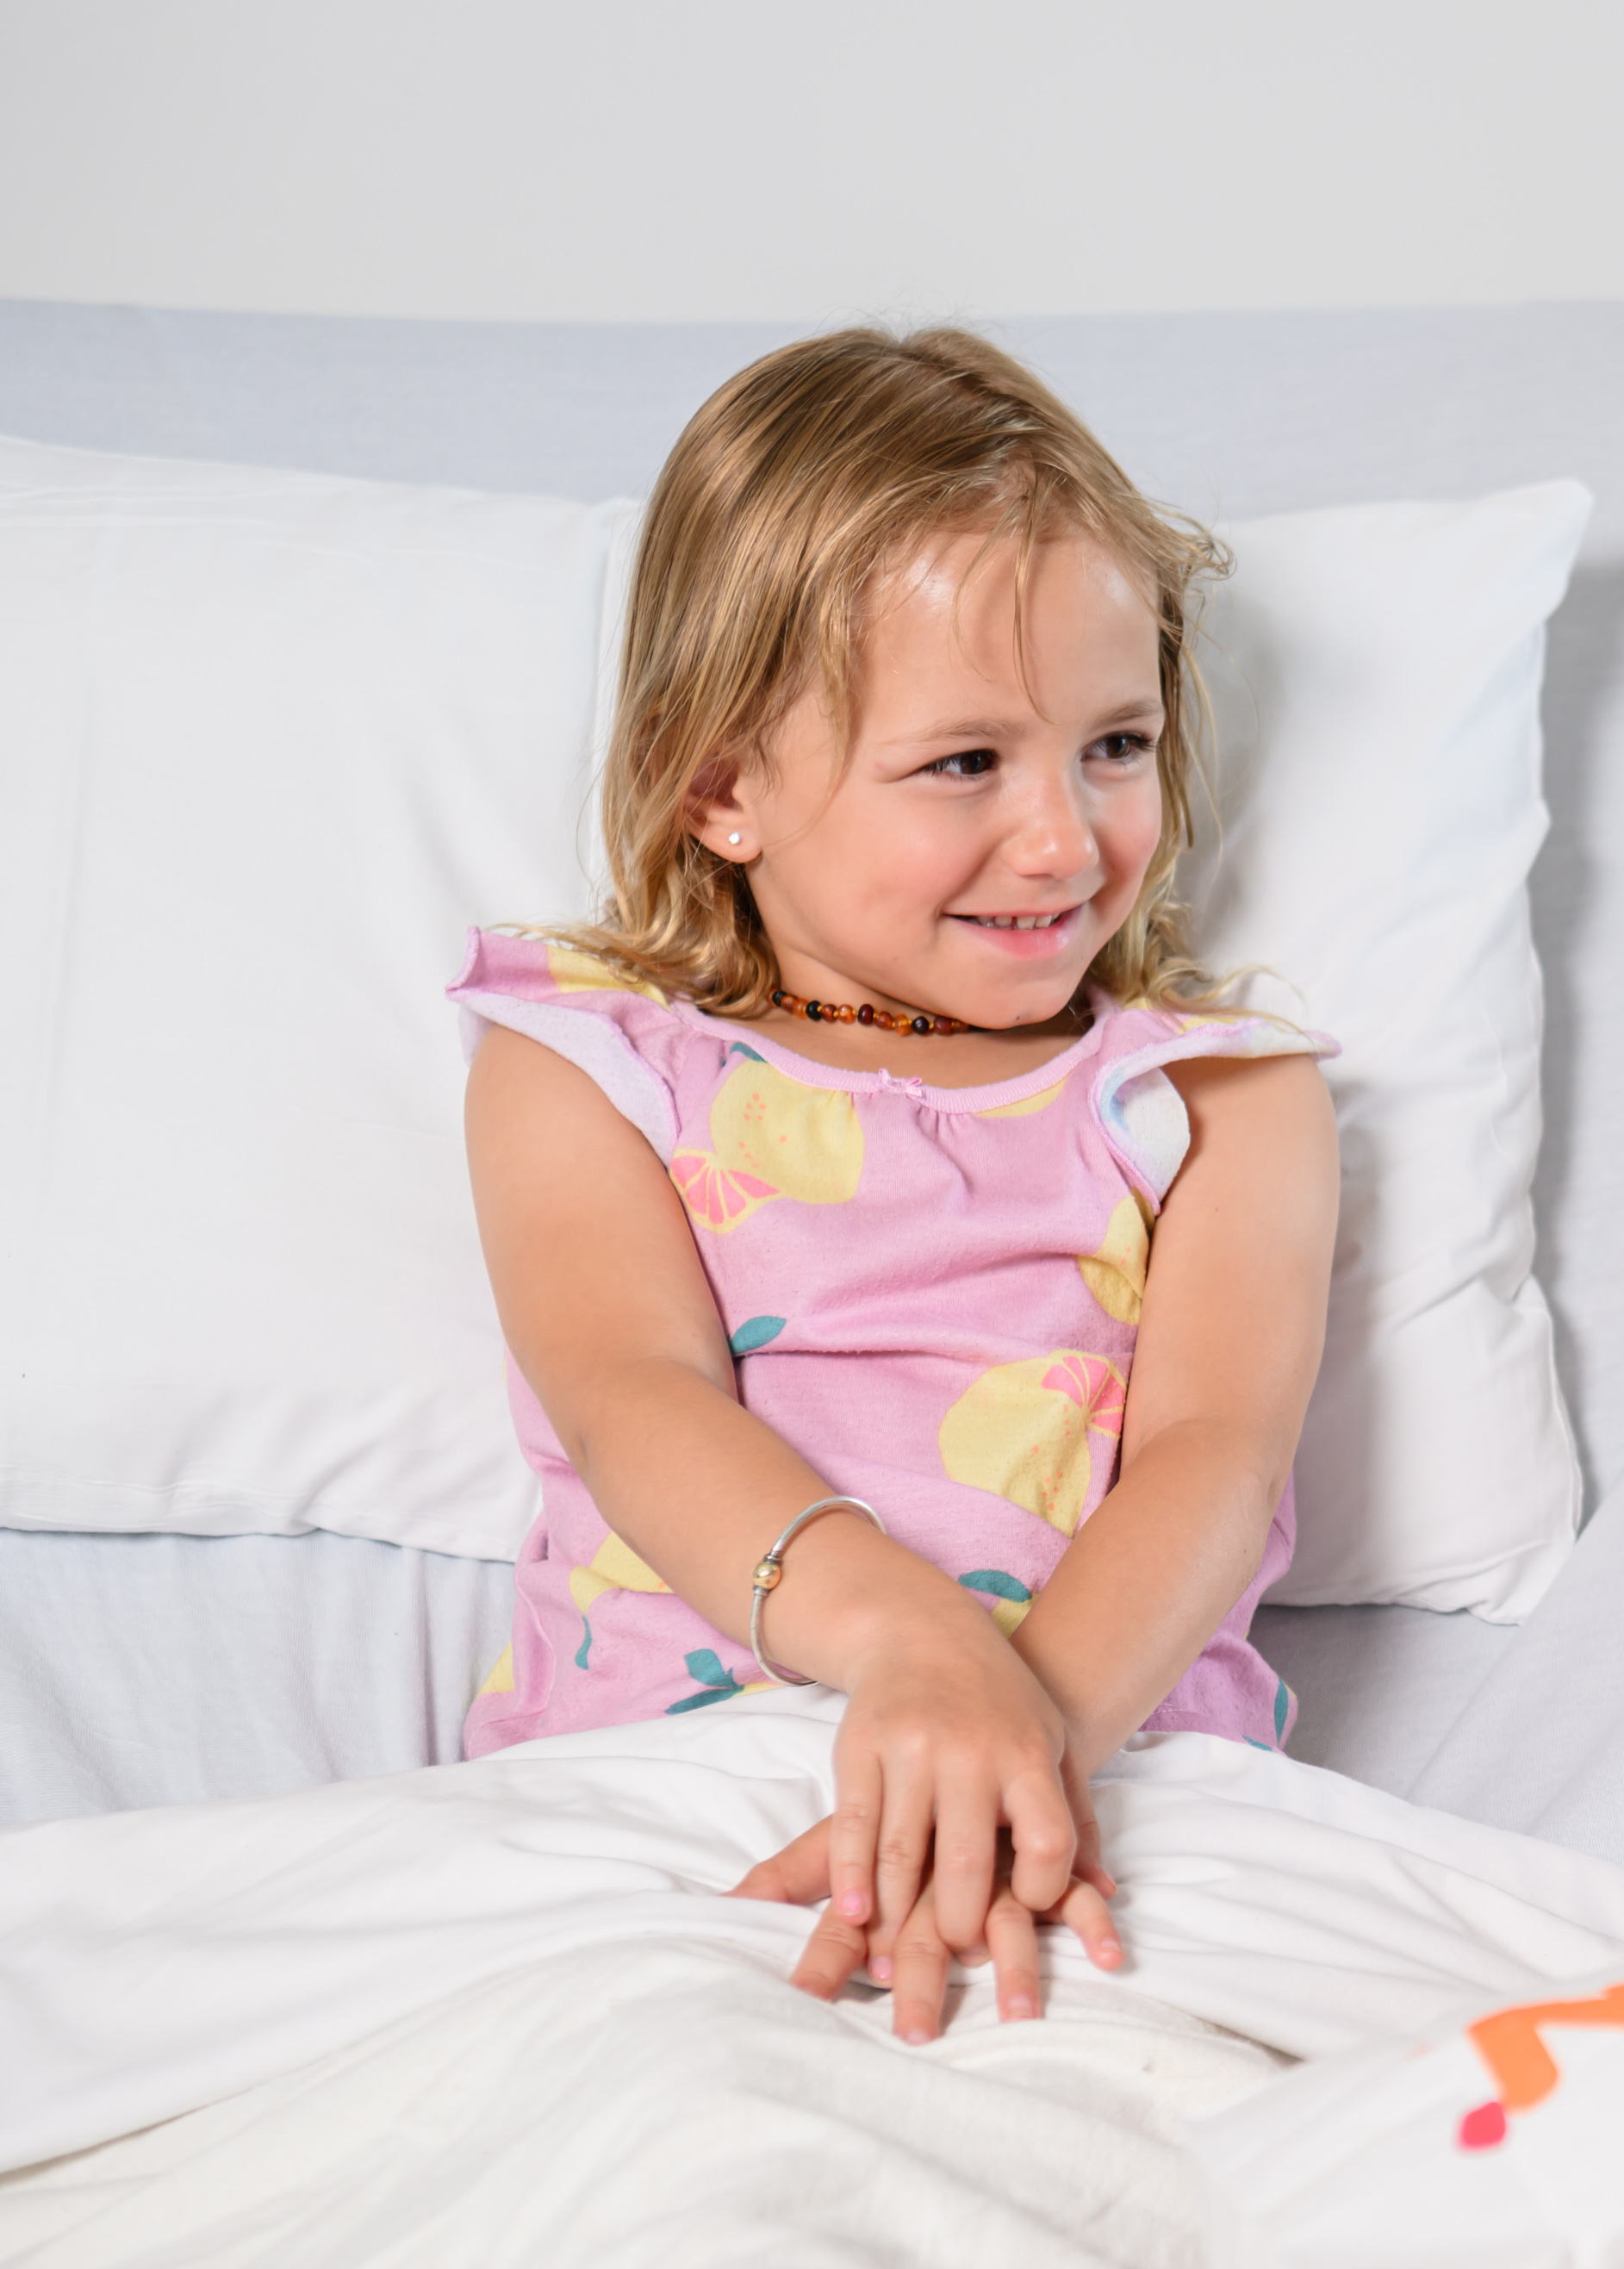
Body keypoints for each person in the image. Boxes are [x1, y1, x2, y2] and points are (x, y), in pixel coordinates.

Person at [455, 327, 1339, 2044]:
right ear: (720, 784)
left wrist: (1016, 1742)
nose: (1066, 840)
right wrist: (916, 1655)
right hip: (687, 1789)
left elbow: (1214, 1456)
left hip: (1115, 1780)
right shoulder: (590, 1064)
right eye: (965, 762)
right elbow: (633, 1396)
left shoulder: (1218, 1096)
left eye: (1115, 743)